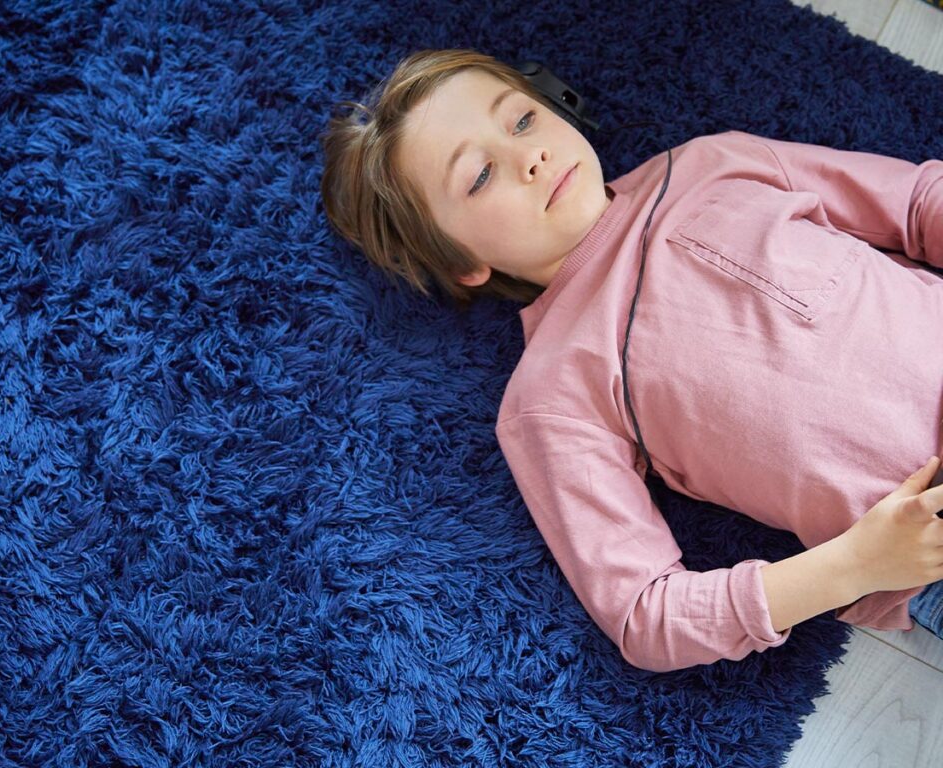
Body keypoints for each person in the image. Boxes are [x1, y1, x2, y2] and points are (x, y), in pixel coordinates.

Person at [319, 48, 943, 672]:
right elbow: (647, 616)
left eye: (522, 121)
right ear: (461, 263)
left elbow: (916, 201)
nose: (527, 157)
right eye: (480, 176)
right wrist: (856, 564)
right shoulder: (551, 394)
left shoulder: (714, 161)